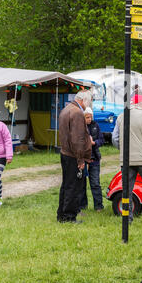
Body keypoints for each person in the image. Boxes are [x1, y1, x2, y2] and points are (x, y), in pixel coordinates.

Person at [112, 94, 142, 223]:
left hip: (126, 159)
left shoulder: (121, 117)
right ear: (140, 104)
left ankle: (127, 218)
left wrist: (122, 150)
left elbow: (114, 138)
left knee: (127, 189)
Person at [57, 90, 92, 224]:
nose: (88, 105)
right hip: (73, 155)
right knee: (73, 186)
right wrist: (80, 159)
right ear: (83, 100)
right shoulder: (77, 112)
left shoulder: (66, 109)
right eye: (88, 102)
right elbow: (77, 139)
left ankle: (62, 214)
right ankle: (69, 217)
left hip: (65, 153)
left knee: (66, 185)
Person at [79, 107, 105, 213]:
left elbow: (102, 139)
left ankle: (98, 206)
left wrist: (95, 143)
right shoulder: (80, 127)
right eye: (87, 117)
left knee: (95, 183)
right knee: (82, 184)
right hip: (83, 159)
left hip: (94, 158)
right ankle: (82, 205)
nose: (89, 119)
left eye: (90, 117)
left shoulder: (95, 126)